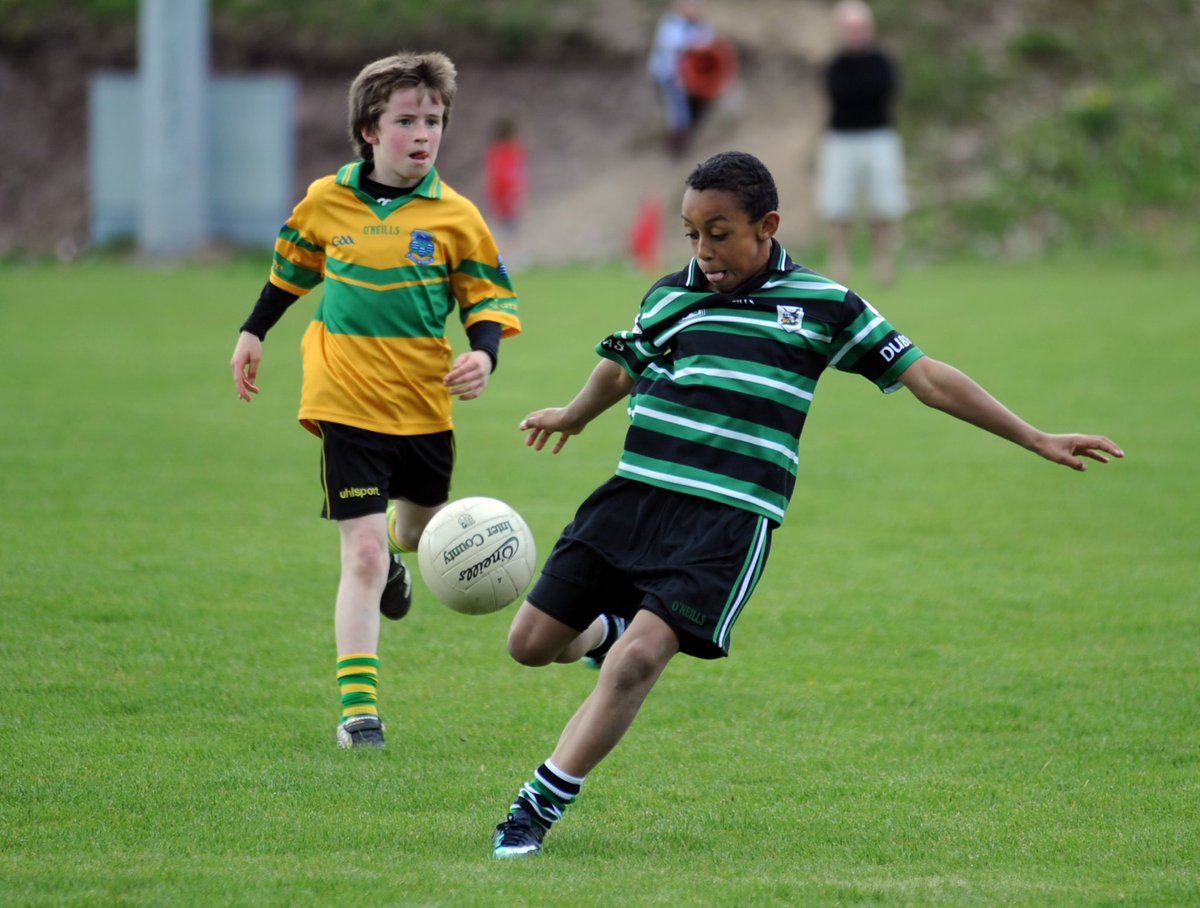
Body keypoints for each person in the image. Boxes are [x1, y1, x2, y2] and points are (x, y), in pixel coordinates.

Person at [489, 150, 1122, 858]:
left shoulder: (824, 305)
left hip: (726, 520)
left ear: (768, 226)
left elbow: (930, 379)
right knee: (529, 645)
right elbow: (625, 362)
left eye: (719, 232)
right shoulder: (671, 295)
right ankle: (603, 633)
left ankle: (535, 808)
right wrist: (575, 414)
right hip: (633, 497)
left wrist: (1033, 436)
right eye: (691, 233)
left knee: (639, 662)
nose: (703, 251)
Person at [229, 51, 521, 750]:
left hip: (423, 407)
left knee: (414, 536)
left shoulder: (456, 216)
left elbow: (484, 298)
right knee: (358, 555)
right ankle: (359, 714)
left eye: (434, 120)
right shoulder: (327, 201)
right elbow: (291, 270)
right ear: (368, 129)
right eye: (406, 120)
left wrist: (483, 353)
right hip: (345, 400)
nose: (423, 133)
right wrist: (254, 330)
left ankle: (397, 555)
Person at [816, 0, 907, 286]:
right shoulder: (834, 65)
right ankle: (840, 264)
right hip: (841, 139)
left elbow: (884, 91)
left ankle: (883, 264)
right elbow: (840, 94)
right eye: (849, 28)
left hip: (878, 136)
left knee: (884, 204)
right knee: (837, 206)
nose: (855, 33)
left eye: (859, 28)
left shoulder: (882, 62)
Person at [647, 0, 715, 158]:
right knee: (679, 113)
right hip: (668, 76)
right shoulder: (670, 24)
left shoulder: (701, 26)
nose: (692, 9)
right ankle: (676, 149)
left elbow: (709, 45)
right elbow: (672, 48)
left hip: (691, 80)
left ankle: (683, 142)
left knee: (691, 111)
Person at [484, 117, 528, 232]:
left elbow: (497, 179)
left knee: (509, 231)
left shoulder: (498, 152)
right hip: (509, 198)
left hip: (506, 198)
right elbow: (511, 176)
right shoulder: (511, 151)